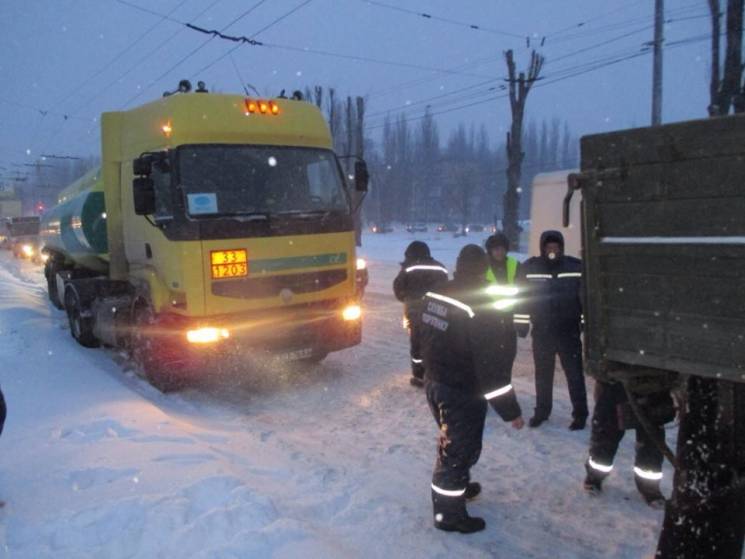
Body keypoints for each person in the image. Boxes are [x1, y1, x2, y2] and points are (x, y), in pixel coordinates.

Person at [420, 244, 524, 534]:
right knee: (457, 450)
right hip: (460, 388)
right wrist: (510, 411)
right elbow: (490, 367)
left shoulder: (436, 293)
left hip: (435, 381)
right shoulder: (479, 304)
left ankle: (457, 487)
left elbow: (421, 334)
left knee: (453, 442)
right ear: (484, 269)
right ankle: (449, 515)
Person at [518, 230, 588, 430]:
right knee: (543, 375)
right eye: (548, 247)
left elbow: (584, 298)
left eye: (555, 247)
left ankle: (580, 414)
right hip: (542, 331)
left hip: (569, 330)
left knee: (574, 375)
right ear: (542, 248)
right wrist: (521, 323)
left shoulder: (575, 266)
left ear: (561, 248)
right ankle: (542, 411)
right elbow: (521, 298)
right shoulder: (530, 268)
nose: (552, 250)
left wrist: (583, 323)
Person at [584, 380, 674, 507]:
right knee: (606, 434)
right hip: (615, 382)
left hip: (653, 383)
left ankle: (649, 487)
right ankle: (595, 476)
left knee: (651, 442)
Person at [392, 241, 448, 387]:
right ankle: (438, 373)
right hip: (438, 312)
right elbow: (447, 289)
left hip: (416, 312)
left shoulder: (409, 268)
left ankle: (420, 376)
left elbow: (398, 289)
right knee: (436, 342)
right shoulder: (441, 267)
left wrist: (406, 298)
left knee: (417, 344)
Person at [484, 232, 525, 377]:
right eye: (495, 249)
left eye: (501, 249)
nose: (499, 252)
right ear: (490, 250)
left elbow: (523, 295)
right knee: (490, 358)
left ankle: (505, 384)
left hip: (509, 321)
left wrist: (522, 322)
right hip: (489, 320)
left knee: (508, 356)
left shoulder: (515, 265)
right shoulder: (482, 268)